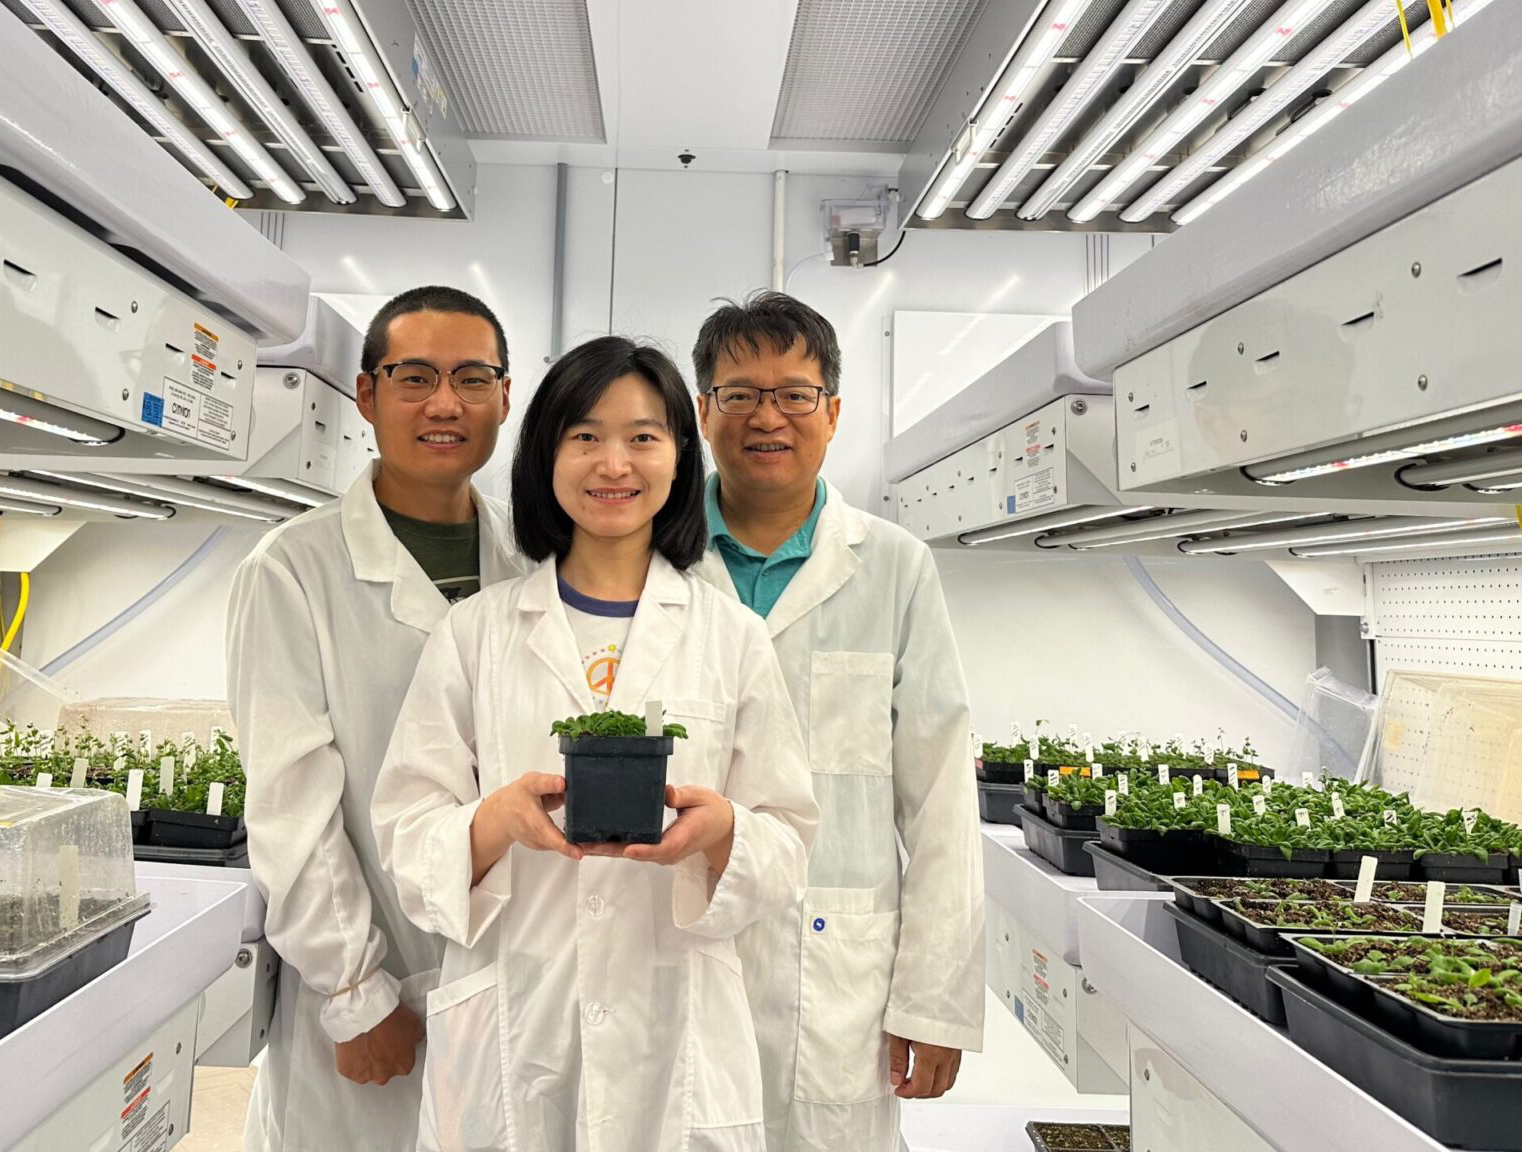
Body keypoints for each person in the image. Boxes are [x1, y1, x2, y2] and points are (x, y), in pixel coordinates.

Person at [371, 336, 819, 1152]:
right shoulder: (477, 635)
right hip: (517, 1019)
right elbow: (405, 827)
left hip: (677, 1031)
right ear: (546, 455)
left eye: (644, 437)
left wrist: (724, 832)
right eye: (585, 436)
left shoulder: (734, 639)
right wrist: (495, 820)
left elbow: (789, 840)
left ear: (681, 457)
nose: (614, 462)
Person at [225, 286, 528, 1152]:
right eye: (414, 377)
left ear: (505, 397)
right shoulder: (292, 570)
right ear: (366, 395)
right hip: (370, 987)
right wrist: (355, 993)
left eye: (473, 378)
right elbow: (291, 803)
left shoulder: (532, 564)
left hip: (508, 984)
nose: (445, 403)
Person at [691, 293, 984, 1152]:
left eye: (795, 394)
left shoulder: (894, 567)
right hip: (677, 946)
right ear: (705, 412)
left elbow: (938, 798)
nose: (767, 416)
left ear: (833, 413)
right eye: (739, 394)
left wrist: (936, 1002)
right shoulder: (654, 559)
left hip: (836, 972)